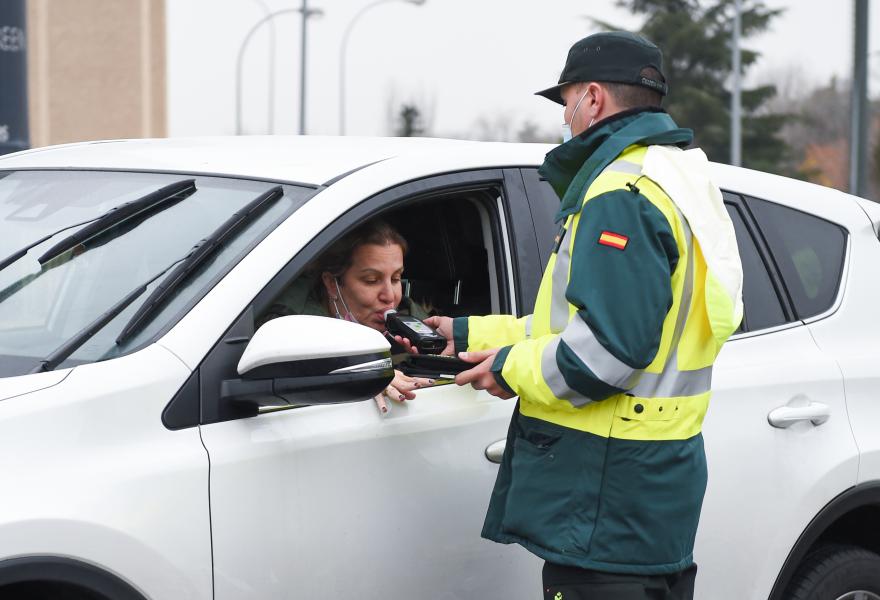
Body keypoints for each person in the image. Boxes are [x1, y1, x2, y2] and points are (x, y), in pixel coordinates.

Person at [426, 31, 743, 600]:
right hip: (654, 493)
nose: (565, 119)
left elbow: (604, 355)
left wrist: (508, 369)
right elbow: (575, 326)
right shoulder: (679, 178)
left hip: (605, 498)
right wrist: (465, 333)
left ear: (591, 99)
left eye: (566, 102)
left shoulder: (620, 192)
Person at [259, 219, 434, 414]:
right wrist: (366, 377)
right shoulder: (288, 331)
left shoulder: (418, 326)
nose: (389, 296)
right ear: (332, 285)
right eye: (371, 280)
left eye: (395, 278)